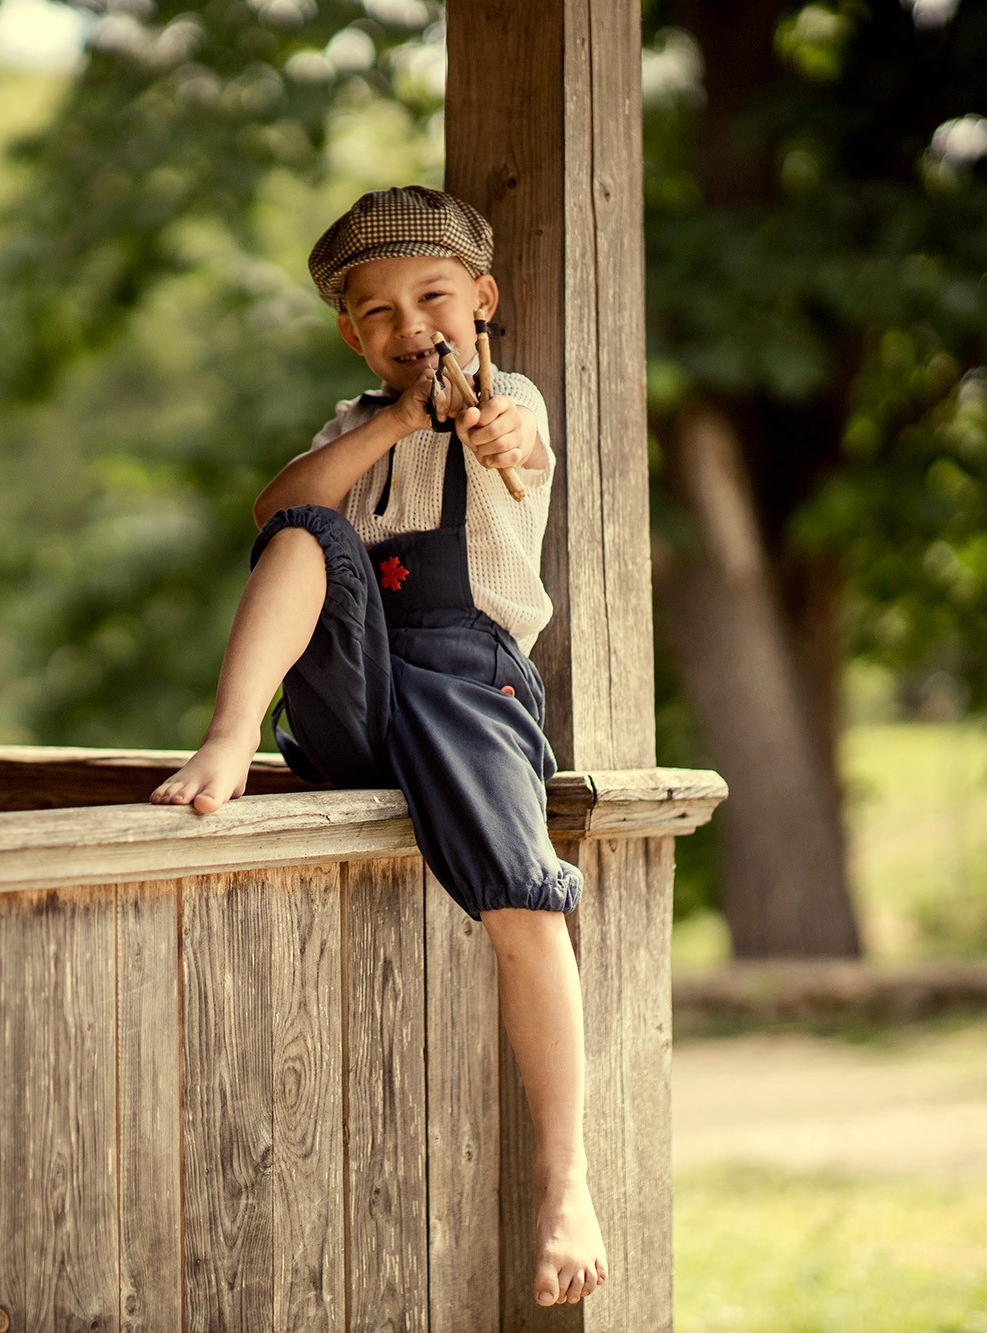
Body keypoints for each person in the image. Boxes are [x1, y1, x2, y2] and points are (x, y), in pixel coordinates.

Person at [151, 185, 607, 1308]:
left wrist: (474, 420)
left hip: (464, 681)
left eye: (433, 298)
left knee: (520, 900)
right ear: (352, 334)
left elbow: (521, 442)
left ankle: (566, 1179)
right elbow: (276, 510)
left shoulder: (514, 402)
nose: (411, 328)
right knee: (307, 530)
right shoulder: (352, 427)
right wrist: (391, 424)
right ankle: (227, 735)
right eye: (380, 313)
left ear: (481, 302)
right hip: (360, 686)